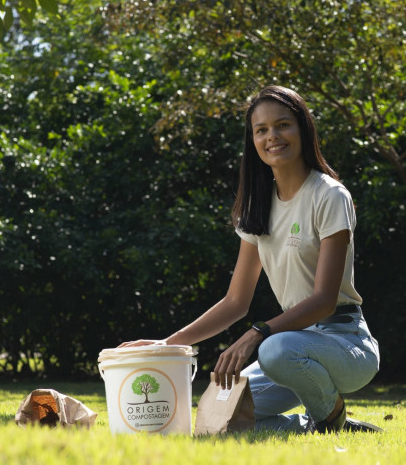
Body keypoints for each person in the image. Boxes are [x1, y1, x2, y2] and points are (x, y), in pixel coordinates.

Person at [120, 85, 380, 433]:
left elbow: (324, 301)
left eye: (283, 124)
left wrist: (257, 333)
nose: (273, 136)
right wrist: (168, 344)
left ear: (302, 128)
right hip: (290, 345)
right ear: (253, 140)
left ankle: (331, 416)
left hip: (345, 342)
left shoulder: (330, 195)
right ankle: (322, 425)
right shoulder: (258, 206)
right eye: (262, 130)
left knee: (273, 349)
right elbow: (235, 301)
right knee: (217, 420)